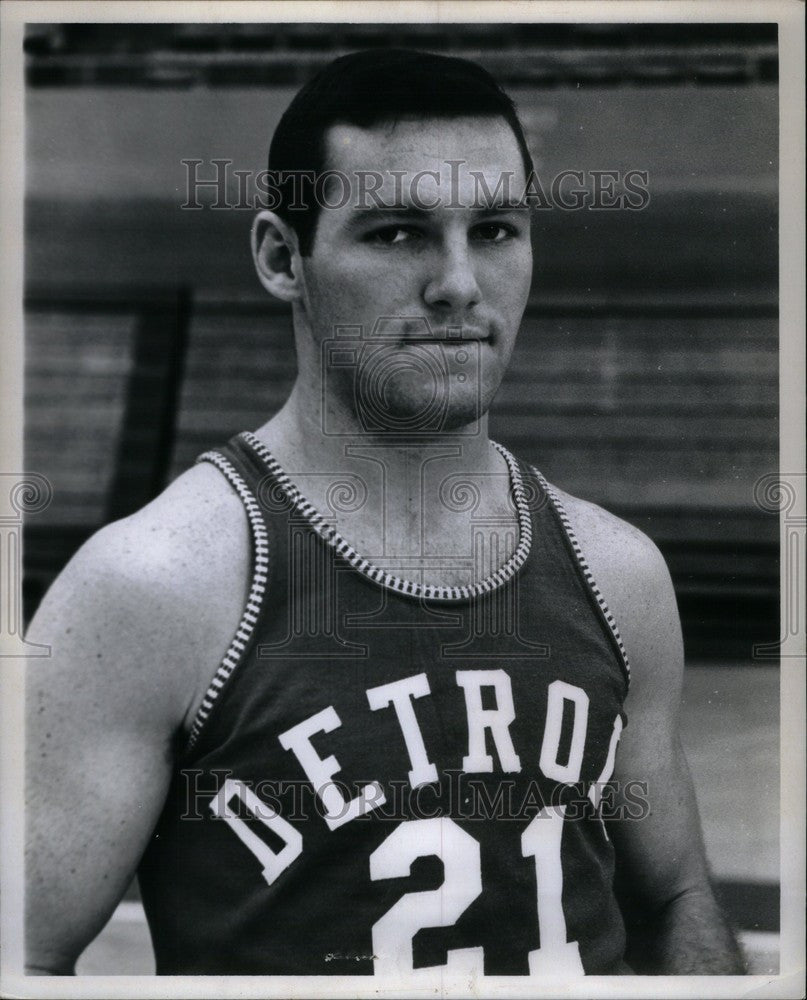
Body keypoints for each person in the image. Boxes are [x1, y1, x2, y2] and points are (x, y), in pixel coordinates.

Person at [25, 48, 744, 978]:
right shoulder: (154, 585)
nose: (458, 283)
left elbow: (674, 897)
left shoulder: (617, 573)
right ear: (283, 257)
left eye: (493, 229)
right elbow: (21, 961)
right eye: (398, 233)